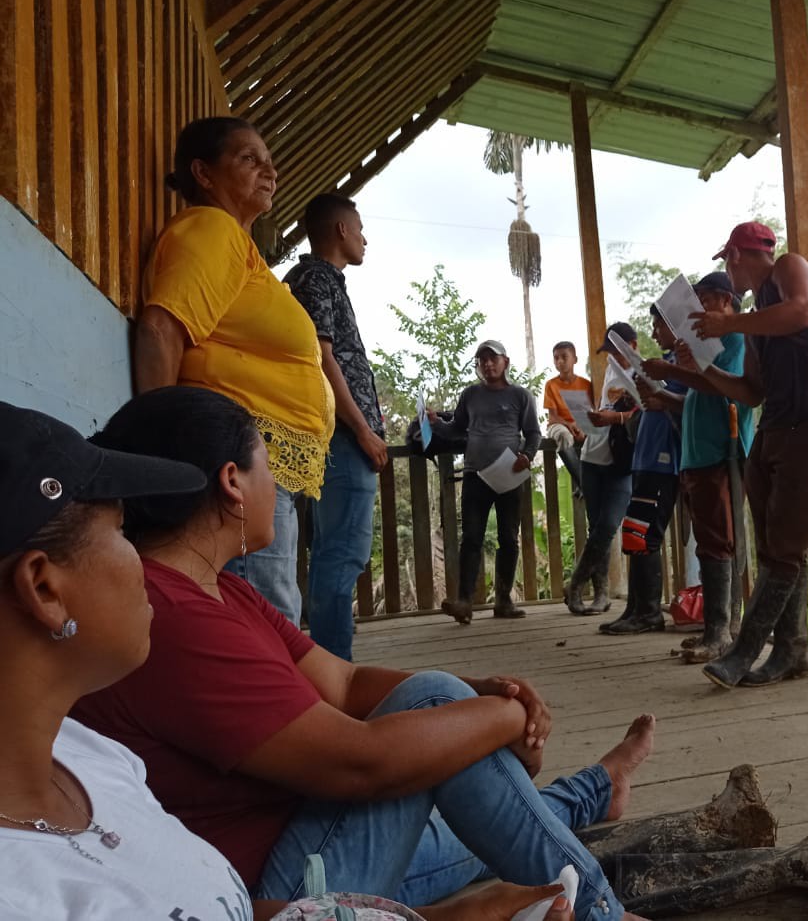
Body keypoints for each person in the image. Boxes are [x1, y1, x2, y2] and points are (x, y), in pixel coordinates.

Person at [70, 386, 650, 919]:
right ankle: (604, 912)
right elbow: (362, 763)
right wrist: (504, 715)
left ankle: (596, 789)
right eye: (269, 466)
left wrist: (482, 692)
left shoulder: (221, 590)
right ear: (232, 482)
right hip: (276, 893)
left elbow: (343, 684)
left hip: (315, 837)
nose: (279, 485)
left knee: (484, 807)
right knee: (436, 705)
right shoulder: (174, 615)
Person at [131, 115, 334, 625]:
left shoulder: (240, 248)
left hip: (255, 468)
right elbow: (161, 329)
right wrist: (161, 458)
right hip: (234, 469)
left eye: (269, 162)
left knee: (272, 616)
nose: (269, 171)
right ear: (203, 173)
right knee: (266, 621)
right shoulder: (212, 228)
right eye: (249, 159)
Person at [689, 222, 808, 689]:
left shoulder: (789, 266)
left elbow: (802, 310)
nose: (728, 271)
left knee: (784, 549)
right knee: (776, 547)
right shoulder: (758, 319)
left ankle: (742, 654)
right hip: (774, 429)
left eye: (727, 262)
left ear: (736, 255)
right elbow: (751, 391)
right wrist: (701, 368)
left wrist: (730, 324)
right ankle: (792, 650)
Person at [286, 193, 388, 660]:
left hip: (341, 436)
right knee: (341, 554)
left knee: (334, 552)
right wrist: (363, 429)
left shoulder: (322, 280)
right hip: (343, 438)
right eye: (360, 229)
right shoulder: (315, 279)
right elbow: (321, 358)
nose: (365, 239)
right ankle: (334, 672)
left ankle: (328, 664)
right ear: (342, 230)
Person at [642, 272, 756, 663]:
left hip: (721, 449)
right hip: (696, 453)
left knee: (719, 540)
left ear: (725, 300)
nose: (699, 310)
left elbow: (727, 388)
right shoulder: (703, 345)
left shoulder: (735, 339)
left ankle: (721, 631)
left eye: (703, 300)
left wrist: (673, 371)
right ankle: (718, 627)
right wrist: (663, 394)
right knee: (709, 541)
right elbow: (694, 398)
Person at [429, 340, 542, 624]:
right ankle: (464, 602)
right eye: (482, 360)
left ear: (506, 362)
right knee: (471, 538)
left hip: (509, 474)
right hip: (475, 474)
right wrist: (435, 423)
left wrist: (527, 455)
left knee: (508, 538)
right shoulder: (470, 395)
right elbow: (456, 428)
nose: (488, 364)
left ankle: (504, 601)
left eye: (493, 358)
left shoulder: (520, 395)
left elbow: (533, 433)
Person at [600, 309, 687, 636]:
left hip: (665, 460)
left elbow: (692, 402)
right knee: (634, 532)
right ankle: (635, 608)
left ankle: (650, 612)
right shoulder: (665, 362)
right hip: (645, 457)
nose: (654, 331)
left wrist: (662, 398)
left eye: (659, 325)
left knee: (647, 534)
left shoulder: (685, 365)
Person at [565, 323, 639, 616]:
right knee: (597, 527)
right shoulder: (610, 369)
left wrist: (615, 418)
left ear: (633, 346)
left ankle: (575, 583)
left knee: (608, 526)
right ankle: (601, 593)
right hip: (592, 456)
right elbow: (606, 404)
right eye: (609, 351)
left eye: (618, 350)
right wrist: (589, 424)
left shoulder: (645, 373)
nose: (613, 356)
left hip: (621, 462)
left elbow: (645, 413)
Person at [543, 341, 592, 492]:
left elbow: (589, 412)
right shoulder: (551, 385)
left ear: (575, 359)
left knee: (595, 438)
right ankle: (585, 484)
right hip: (558, 424)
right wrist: (569, 425)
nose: (560, 361)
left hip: (581, 423)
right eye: (556, 358)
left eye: (564, 357)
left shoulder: (586, 384)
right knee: (564, 436)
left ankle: (592, 481)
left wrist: (581, 428)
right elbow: (553, 416)